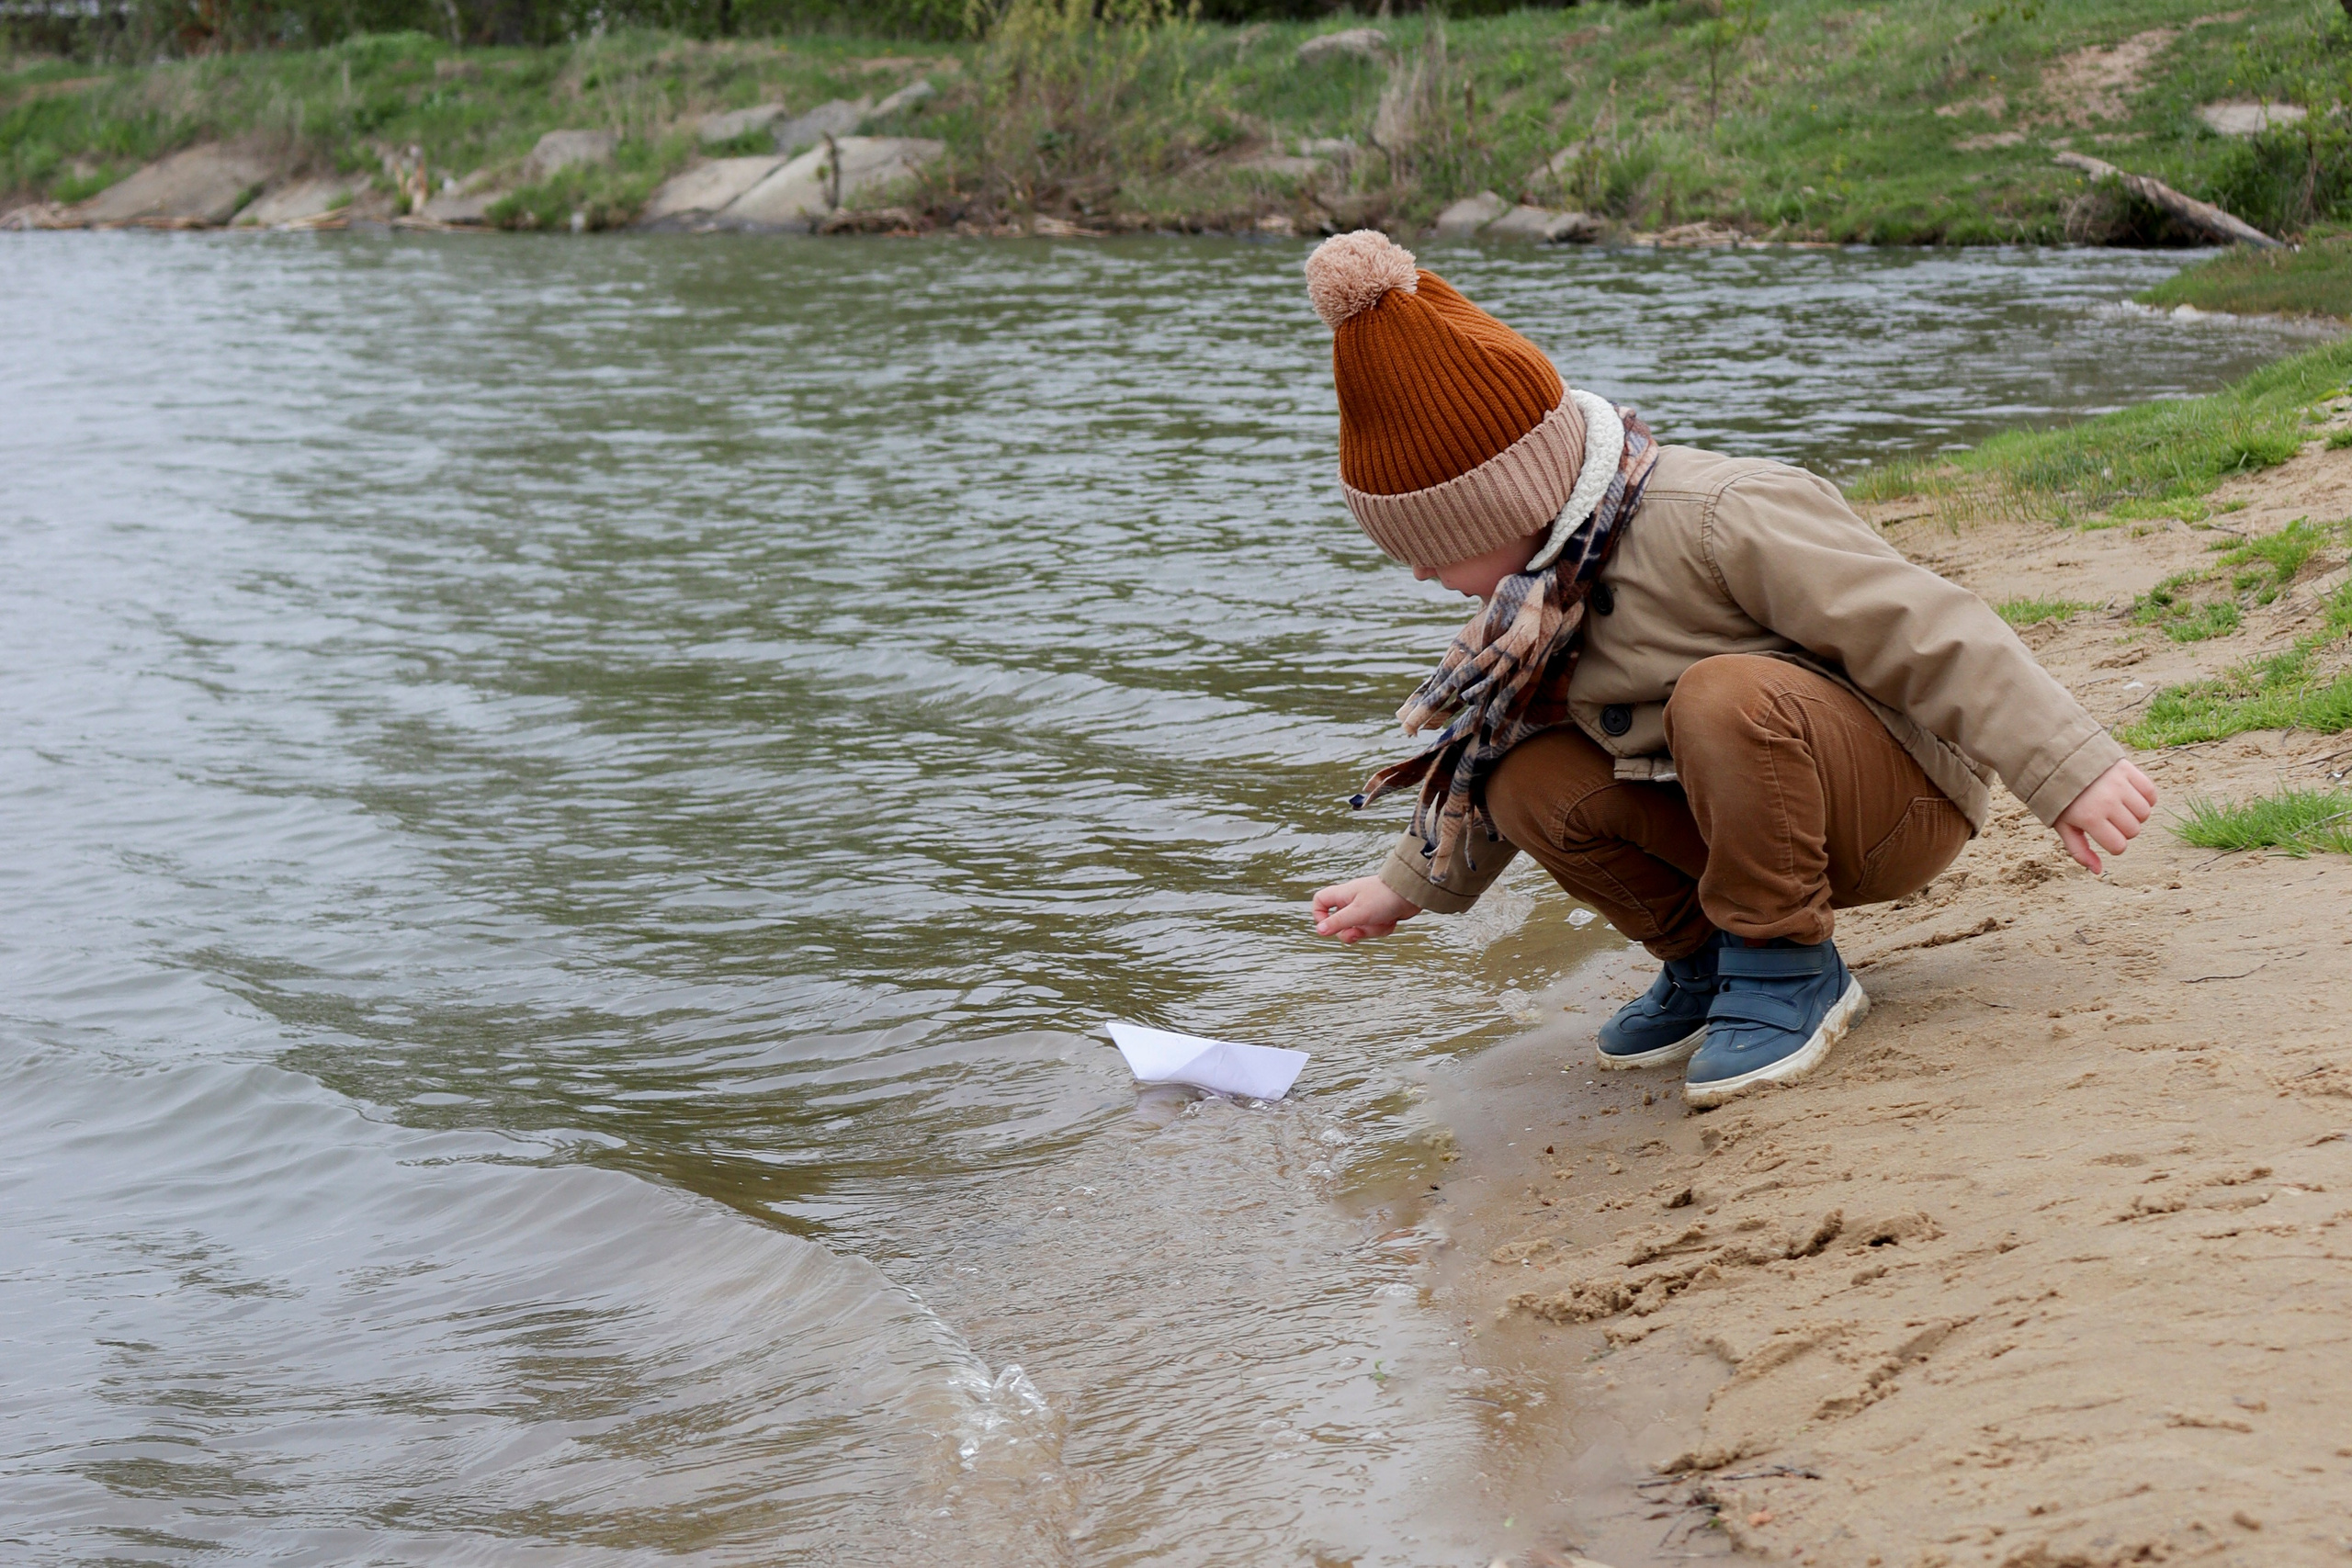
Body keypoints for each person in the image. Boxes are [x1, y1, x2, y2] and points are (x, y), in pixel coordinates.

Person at [1299, 231, 2156, 1107]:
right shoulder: (1533, 599)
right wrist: (1403, 888)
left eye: (1432, 547)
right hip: (1744, 821)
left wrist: (2066, 768)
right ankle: (1709, 959)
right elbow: (1480, 754)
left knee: (1722, 693)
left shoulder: (1716, 513)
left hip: (1894, 807)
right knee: (1521, 773)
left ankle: (1789, 967)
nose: (1416, 573)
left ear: (1512, 502)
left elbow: (1924, 625)